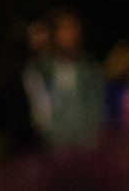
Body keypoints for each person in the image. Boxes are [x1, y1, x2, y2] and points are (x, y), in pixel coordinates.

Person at [25, 9, 104, 150]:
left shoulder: (88, 68)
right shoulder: (40, 70)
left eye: (74, 28)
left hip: (86, 147)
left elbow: (96, 107)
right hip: (53, 146)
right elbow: (39, 111)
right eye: (65, 28)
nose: (71, 34)